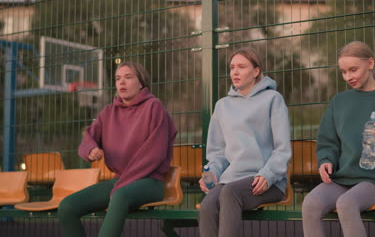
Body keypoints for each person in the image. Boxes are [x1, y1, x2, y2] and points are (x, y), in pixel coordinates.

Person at [302, 41, 375, 237]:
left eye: (353, 70)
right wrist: (326, 160)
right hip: (343, 178)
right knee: (310, 204)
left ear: (370, 63)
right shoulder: (339, 101)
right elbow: (327, 142)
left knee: (347, 203)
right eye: (343, 72)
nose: (348, 77)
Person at [58, 62, 177, 237]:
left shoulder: (154, 106)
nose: (122, 82)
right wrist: (91, 149)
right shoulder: (108, 111)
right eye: (118, 79)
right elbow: (88, 138)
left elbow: (155, 155)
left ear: (141, 82)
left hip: (150, 181)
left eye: (128, 77)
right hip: (121, 182)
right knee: (67, 206)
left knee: (120, 195)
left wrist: (121, 185)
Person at [198, 48, 291, 237]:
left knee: (229, 192)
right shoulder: (222, 106)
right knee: (207, 205)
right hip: (230, 179)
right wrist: (213, 173)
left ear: (256, 71)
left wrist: (268, 174)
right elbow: (218, 153)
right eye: (232, 67)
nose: (235, 72)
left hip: (266, 180)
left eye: (241, 66)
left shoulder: (273, 99)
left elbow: (282, 149)